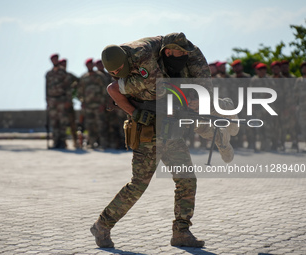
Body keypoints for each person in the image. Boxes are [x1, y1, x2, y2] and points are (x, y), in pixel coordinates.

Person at [90, 32, 238, 248]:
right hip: (148, 132)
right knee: (138, 185)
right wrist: (135, 113)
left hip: (171, 130)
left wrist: (192, 103)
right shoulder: (143, 68)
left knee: (187, 180)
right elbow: (113, 89)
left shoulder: (163, 64)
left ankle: (181, 232)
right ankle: (102, 226)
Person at [77, 58, 108, 149]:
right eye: (88, 64)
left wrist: (103, 103)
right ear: (86, 66)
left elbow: (104, 90)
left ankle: (103, 143)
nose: (90, 66)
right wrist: (82, 102)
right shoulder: (84, 77)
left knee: (101, 124)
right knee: (90, 125)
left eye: (91, 64)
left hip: (99, 105)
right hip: (88, 106)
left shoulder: (100, 76)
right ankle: (92, 143)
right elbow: (80, 92)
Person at [95, 59, 125, 149]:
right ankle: (114, 143)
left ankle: (124, 143)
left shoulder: (110, 75)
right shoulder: (99, 76)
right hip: (110, 104)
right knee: (111, 126)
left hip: (120, 103)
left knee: (121, 124)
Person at [45, 54, 71, 149]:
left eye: (56, 59)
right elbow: (46, 88)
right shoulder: (48, 74)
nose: (54, 61)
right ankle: (56, 142)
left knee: (63, 122)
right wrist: (47, 100)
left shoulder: (63, 72)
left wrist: (68, 100)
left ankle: (63, 142)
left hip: (62, 100)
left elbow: (68, 87)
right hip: (52, 100)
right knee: (54, 123)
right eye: (53, 59)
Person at [59, 58, 80, 149]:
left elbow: (79, 81)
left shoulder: (69, 75)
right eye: (62, 64)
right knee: (61, 124)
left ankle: (75, 141)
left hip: (69, 103)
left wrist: (74, 89)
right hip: (59, 104)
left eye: (65, 64)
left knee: (72, 123)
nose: (64, 65)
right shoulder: (57, 76)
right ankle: (62, 142)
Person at [294, 62, 306, 152]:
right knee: (303, 126)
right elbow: (295, 94)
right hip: (302, 108)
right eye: (303, 68)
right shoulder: (299, 80)